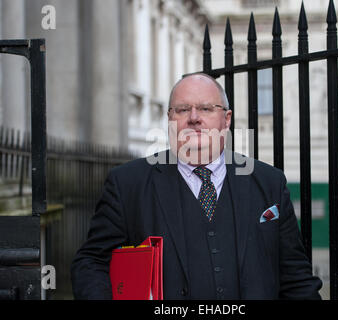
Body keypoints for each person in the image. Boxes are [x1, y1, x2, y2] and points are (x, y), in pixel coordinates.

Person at [71, 73, 322, 300]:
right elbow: (91, 262)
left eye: (205, 108)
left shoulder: (269, 182)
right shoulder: (127, 184)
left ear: (227, 119)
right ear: (170, 119)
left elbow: (295, 277)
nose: (194, 118)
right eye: (182, 110)